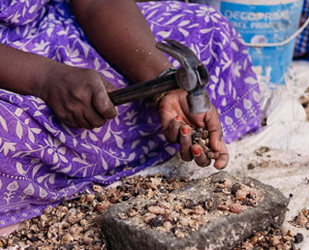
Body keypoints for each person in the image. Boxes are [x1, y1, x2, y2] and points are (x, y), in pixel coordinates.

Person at [0, 0, 261, 228]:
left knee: (211, 29)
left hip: (55, 26)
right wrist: (45, 78)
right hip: (12, 63)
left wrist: (162, 80)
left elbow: (96, 2)